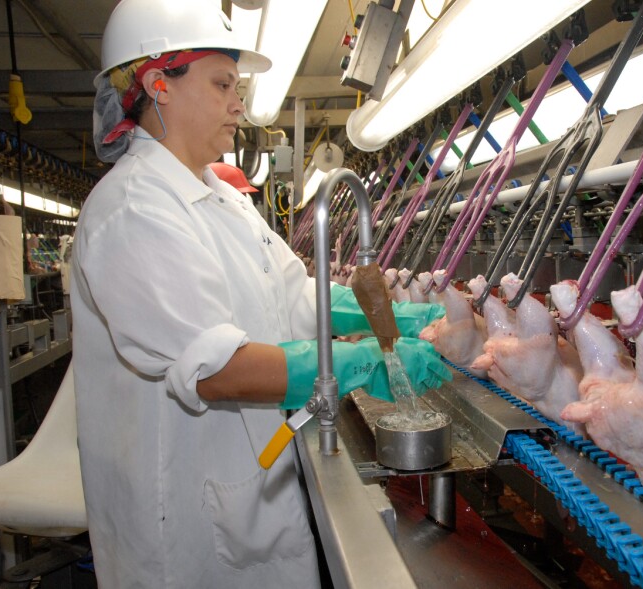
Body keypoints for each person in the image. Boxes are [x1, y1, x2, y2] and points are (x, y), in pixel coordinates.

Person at [71, 1, 448, 587]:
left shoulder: (226, 201)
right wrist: (358, 364)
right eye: (222, 84)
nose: (238, 104)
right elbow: (216, 369)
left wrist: (396, 315)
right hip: (183, 511)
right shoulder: (132, 211)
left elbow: (294, 295)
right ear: (157, 86)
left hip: (245, 486)